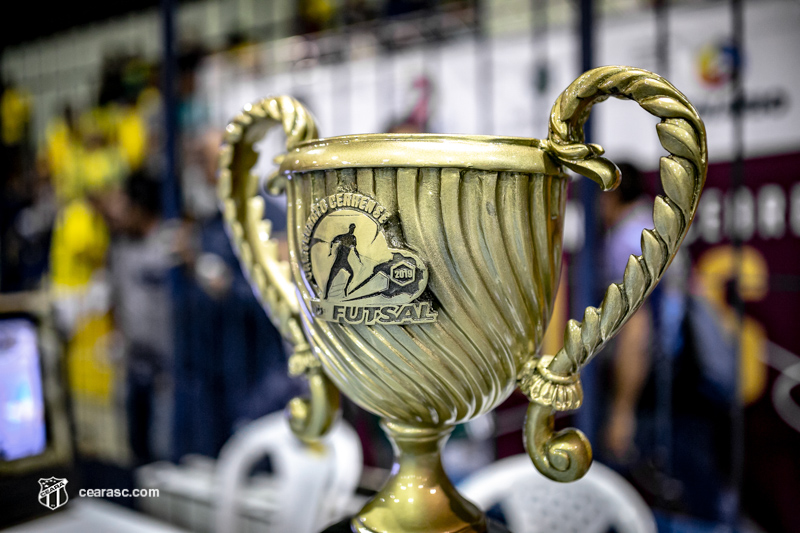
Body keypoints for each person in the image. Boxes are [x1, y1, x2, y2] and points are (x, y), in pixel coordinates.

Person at [326, 223, 362, 298]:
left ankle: (345, 289)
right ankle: (326, 295)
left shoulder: (353, 238)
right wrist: (330, 252)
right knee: (331, 278)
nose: (352, 229)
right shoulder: (343, 236)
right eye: (352, 228)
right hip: (338, 262)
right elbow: (333, 241)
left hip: (345, 261)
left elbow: (355, 249)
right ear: (349, 228)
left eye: (354, 228)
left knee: (352, 274)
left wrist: (359, 258)